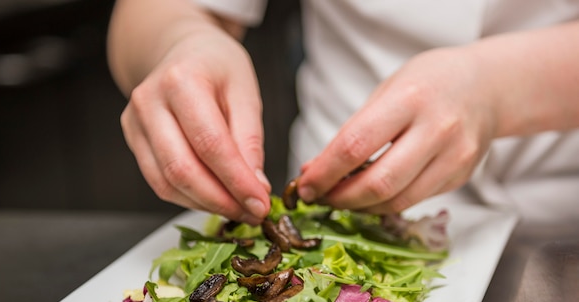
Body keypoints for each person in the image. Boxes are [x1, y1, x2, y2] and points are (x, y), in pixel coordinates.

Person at [106, 0, 579, 225]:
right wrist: (181, 43)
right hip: (333, 212)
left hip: (563, 217)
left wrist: (499, 88)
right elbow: (153, 13)